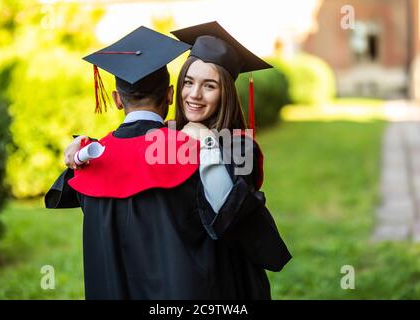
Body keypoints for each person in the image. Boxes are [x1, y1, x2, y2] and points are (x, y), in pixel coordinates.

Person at [53, 23, 291, 300]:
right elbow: (129, 149)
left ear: (225, 92)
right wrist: (83, 144)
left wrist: (208, 143)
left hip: (226, 279)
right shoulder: (167, 134)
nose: (194, 94)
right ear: (173, 91)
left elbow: (229, 214)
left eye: (209, 86)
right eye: (188, 82)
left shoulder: (238, 145)